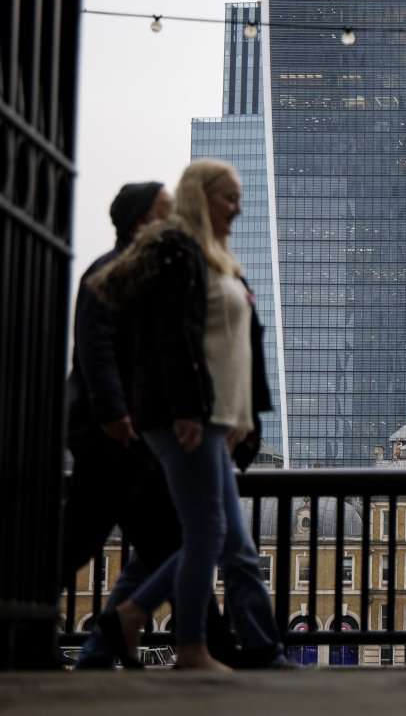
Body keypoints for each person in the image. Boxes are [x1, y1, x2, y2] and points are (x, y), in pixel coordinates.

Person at [89, 159, 280, 672]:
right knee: (207, 534)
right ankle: (190, 646)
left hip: (215, 418)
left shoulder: (215, 257)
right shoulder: (181, 253)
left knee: (222, 537)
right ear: (201, 196)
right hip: (187, 418)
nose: (238, 208)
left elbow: (235, 348)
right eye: (229, 197)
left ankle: (134, 615)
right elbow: (175, 340)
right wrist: (190, 412)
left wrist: (241, 415)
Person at [60, 183, 176, 668]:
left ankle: (104, 646)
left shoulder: (145, 276)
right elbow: (96, 350)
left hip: (134, 437)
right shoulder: (111, 271)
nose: (173, 223)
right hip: (111, 436)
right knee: (83, 542)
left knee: (171, 543)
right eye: (165, 213)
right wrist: (114, 415)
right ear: (141, 221)